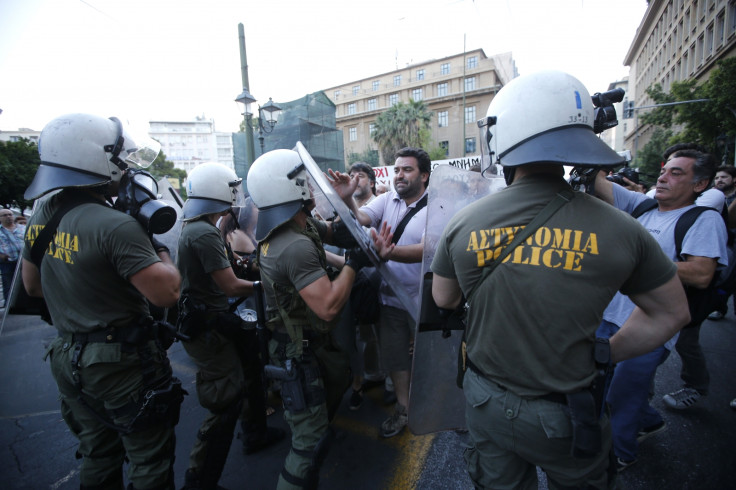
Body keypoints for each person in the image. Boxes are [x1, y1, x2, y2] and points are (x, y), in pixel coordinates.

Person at [430, 71, 691, 489]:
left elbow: (443, 299)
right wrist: (604, 353)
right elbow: (672, 312)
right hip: (568, 412)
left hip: (485, 400)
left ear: (504, 135)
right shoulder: (623, 228)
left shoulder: (464, 222)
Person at [20, 113, 184, 489]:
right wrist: (156, 246)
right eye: (120, 159)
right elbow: (168, 292)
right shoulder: (117, 226)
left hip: (67, 355)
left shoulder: (44, 213)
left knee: (98, 453)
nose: (125, 168)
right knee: (149, 458)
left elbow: (32, 286)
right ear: (95, 159)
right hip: (120, 363)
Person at [592, 147, 727, 470]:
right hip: (609, 317)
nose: (663, 177)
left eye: (677, 173)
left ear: (700, 184)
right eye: (664, 170)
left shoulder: (704, 220)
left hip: (652, 325)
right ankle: (649, 420)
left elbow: (702, 273)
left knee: (621, 394)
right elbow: (597, 182)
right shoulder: (645, 206)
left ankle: (620, 454)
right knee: (599, 383)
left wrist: (641, 261)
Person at [247, 149, 362, 489]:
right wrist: (354, 264)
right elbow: (328, 306)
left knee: (317, 427)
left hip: (304, 343)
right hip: (298, 352)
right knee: (308, 445)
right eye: (304, 183)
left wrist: (343, 202)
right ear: (288, 189)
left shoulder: (296, 225)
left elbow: (341, 233)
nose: (310, 187)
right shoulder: (292, 244)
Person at [177, 162, 284, 490]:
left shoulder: (198, 226)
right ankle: (200, 478)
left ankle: (255, 433)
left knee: (250, 370)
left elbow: (226, 269)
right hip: (208, 325)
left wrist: (244, 267)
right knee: (227, 397)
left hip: (212, 319)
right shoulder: (204, 232)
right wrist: (269, 284)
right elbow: (230, 286)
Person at [332, 147, 430, 438]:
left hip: (426, 301)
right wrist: (348, 196)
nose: (399, 174)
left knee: (432, 358)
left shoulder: (436, 205)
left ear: (423, 175)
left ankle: (446, 410)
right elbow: (360, 218)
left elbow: (428, 249)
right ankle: (404, 409)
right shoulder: (387, 199)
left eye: (407, 170)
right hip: (391, 299)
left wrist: (392, 252)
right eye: (397, 169)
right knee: (397, 360)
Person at [707, 164, 736, 321]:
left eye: (724, 177)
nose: (720, 180)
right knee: (723, 281)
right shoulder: (712, 197)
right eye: (717, 178)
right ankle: (719, 307)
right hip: (724, 246)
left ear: (734, 179)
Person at [0, 209, 24, 306]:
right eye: (5, 215)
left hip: (23, 261)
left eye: (10, 214)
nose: (8, 217)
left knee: (24, 283)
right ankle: (10, 306)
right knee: (9, 284)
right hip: (8, 262)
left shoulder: (22, 228)